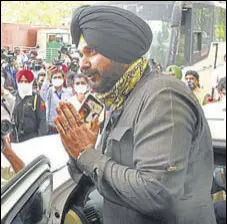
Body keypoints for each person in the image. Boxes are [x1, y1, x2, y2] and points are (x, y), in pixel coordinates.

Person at [54, 5, 216, 224]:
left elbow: (157, 194)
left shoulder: (163, 96)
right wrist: (80, 154)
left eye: (91, 52)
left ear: (121, 51)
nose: (82, 64)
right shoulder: (123, 98)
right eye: (80, 54)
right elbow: (104, 183)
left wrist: (87, 154)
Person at [12, 70, 47, 142]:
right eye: (21, 81)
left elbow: (42, 121)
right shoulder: (12, 96)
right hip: (14, 139)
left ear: (31, 82)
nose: (23, 84)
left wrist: (39, 140)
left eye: (26, 81)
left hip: (31, 139)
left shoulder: (36, 98)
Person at [40, 67, 72, 135]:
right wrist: (47, 77)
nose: (57, 79)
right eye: (55, 77)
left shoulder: (69, 92)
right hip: (52, 129)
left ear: (63, 79)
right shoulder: (49, 91)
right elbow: (42, 94)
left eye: (59, 77)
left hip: (66, 128)